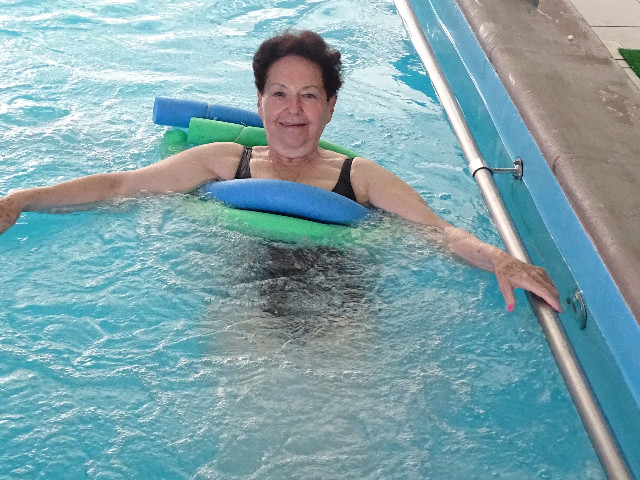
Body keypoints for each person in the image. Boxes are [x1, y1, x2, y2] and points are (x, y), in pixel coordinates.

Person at [0, 29, 561, 313]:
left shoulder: (360, 177)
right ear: (260, 102)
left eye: (310, 95)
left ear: (330, 107)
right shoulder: (226, 162)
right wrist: (21, 198)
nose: (293, 110)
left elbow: (439, 232)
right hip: (245, 290)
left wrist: (502, 259)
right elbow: (122, 185)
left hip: (340, 297)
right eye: (279, 93)